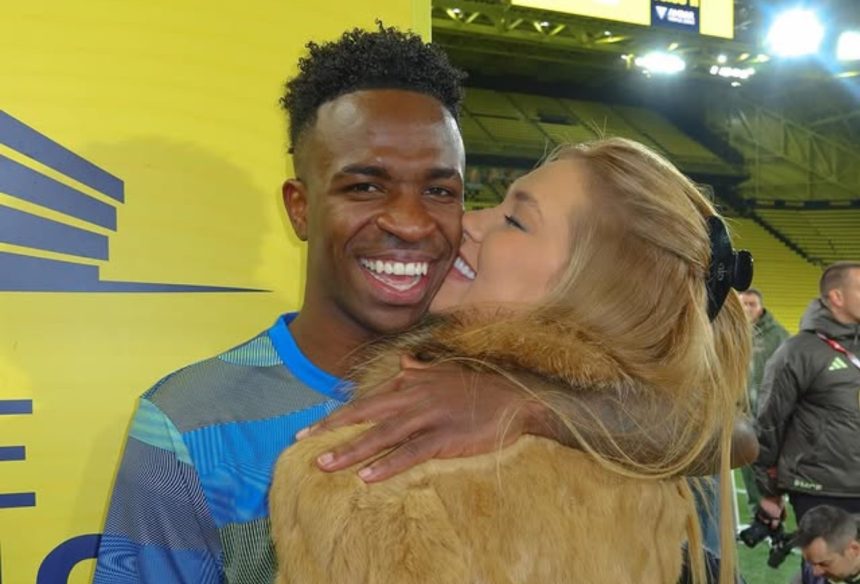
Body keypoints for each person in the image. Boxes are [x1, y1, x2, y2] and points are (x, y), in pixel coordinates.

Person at [95, 26, 739, 583]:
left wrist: (532, 406)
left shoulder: (527, 379)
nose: (410, 223)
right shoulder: (188, 420)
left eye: (440, 191)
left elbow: (729, 436)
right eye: (364, 186)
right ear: (301, 207)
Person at [272, 137, 753, 584]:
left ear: (591, 295)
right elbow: (737, 436)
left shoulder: (376, 483)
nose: (469, 222)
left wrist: (532, 405)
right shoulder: (646, 458)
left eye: (516, 221)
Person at [753, 261, 860, 582]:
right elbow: (769, 422)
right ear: (837, 297)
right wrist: (769, 493)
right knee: (824, 570)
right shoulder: (797, 351)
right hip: (820, 487)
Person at [737, 288, 789, 514]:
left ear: (761, 307)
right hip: (740, 412)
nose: (748, 308)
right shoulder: (731, 330)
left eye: (752, 304)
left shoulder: (777, 335)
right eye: (744, 304)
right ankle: (756, 511)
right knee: (746, 463)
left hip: (770, 412)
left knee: (770, 465)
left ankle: (774, 511)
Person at [796, 505, 860, 584]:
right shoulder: (812, 568)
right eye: (810, 563)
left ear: (854, 550)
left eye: (824, 564)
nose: (815, 572)